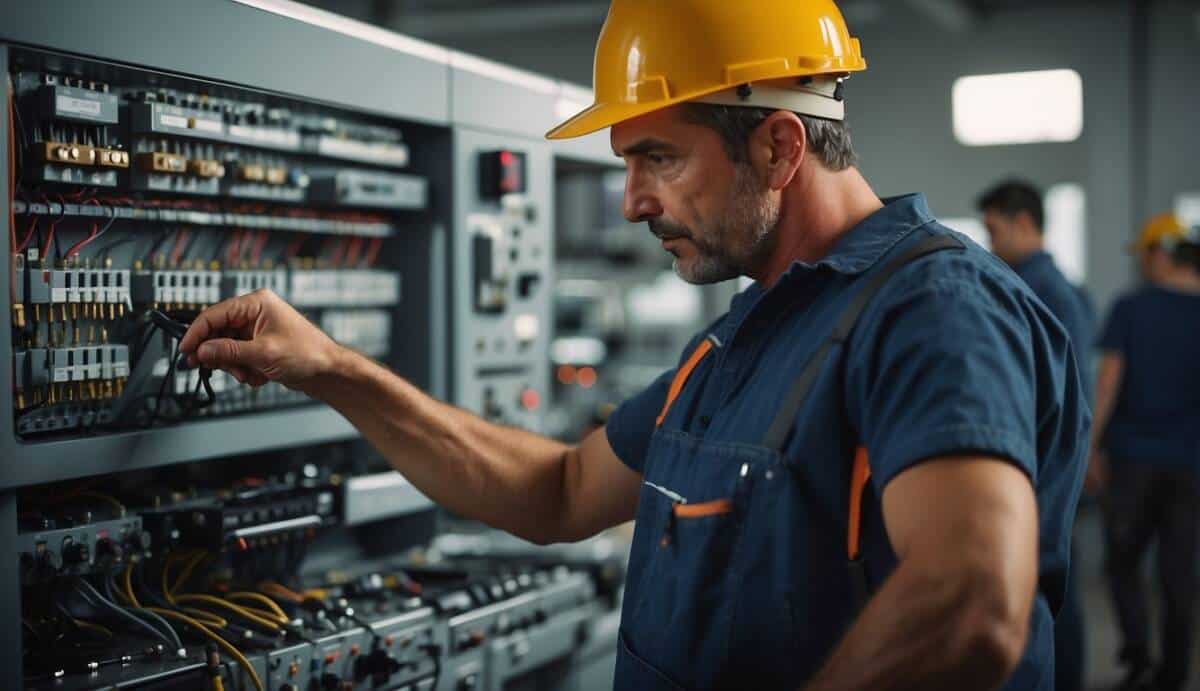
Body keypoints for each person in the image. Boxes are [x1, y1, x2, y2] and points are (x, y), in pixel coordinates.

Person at [180, 2, 1089, 689]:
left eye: (658, 157)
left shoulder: (930, 310)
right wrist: (332, 368)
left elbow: (971, 599)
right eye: (627, 164)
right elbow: (560, 489)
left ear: (778, 148)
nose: (632, 201)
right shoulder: (742, 340)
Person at [978, 179, 1095, 691]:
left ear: (1024, 223)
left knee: (1041, 587)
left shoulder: (1039, 290)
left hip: (1041, 463)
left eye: (994, 230)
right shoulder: (1058, 287)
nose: (989, 243)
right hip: (1047, 459)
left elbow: (1069, 393)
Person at [1088, 214, 1200, 691]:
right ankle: (1175, 676)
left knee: (1123, 563)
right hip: (1192, 464)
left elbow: (1110, 379)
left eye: (1146, 255)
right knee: (1180, 575)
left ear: (1162, 254)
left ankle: (1138, 664)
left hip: (1134, 460)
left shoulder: (1131, 308)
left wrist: (1089, 444)